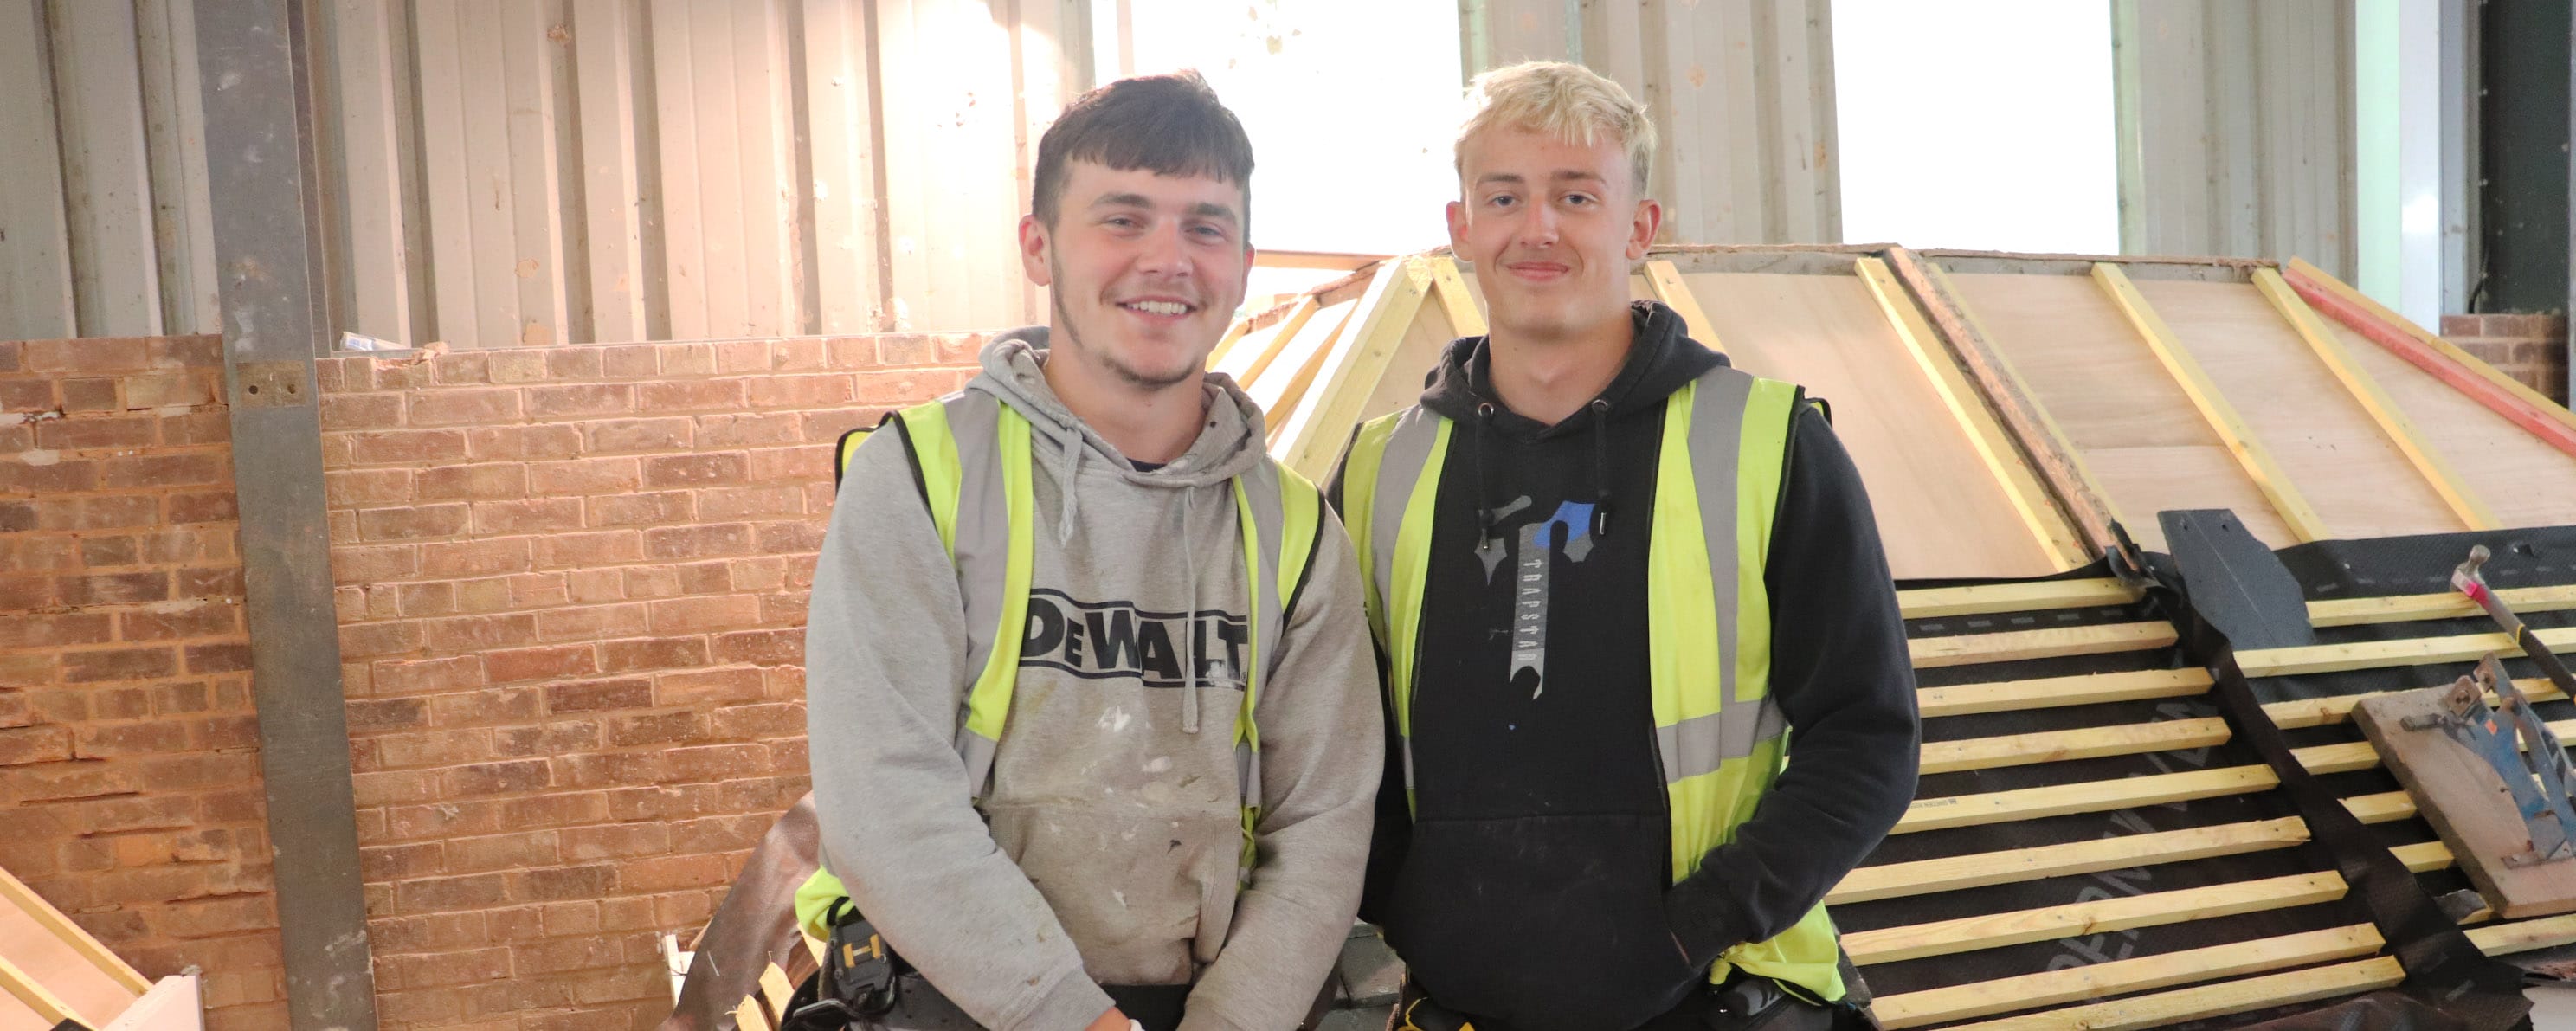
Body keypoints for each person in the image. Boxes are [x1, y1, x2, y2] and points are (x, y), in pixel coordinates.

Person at [1332, 61, 1919, 1031]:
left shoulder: (1768, 444)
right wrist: (1415, 912)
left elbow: (1870, 740)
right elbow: (1327, 751)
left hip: (1719, 992)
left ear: (1638, 228)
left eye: (1576, 195)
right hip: (1465, 1002)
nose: (1539, 229)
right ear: (1461, 226)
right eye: (1505, 197)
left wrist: (1693, 929)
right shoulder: (1376, 472)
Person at [802, 70, 1382, 1031]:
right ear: (1039, 246)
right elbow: (883, 798)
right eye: (1123, 219)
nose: (1168, 260)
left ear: (1242, 263)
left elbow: (1323, 823)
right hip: (968, 1000)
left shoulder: (1295, 530)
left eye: (1205, 226)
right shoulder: (922, 477)